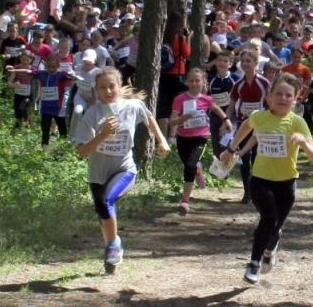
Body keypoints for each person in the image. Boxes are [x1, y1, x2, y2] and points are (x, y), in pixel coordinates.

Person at [220, 73, 313, 284]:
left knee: (274, 227)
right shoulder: (260, 116)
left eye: (288, 95)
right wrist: (231, 148)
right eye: (278, 94)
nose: (283, 99)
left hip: (286, 184)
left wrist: (303, 142)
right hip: (260, 180)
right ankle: (254, 264)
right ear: (269, 97)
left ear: (295, 100)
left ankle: (270, 249)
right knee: (268, 219)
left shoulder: (297, 122)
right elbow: (246, 126)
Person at [74, 67, 171, 274]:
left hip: (124, 169)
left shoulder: (133, 106)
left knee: (107, 201)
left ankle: (113, 247)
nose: (108, 91)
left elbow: (149, 119)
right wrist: (103, 135)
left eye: (112, 86)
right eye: (103, 88)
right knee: (103, 212)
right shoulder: (92, 114)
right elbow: (81, 153)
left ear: (119, 86)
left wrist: (161, 140)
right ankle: (112, 246)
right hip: (97, 173)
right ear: (96, 90)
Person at [170, 69, 233, 213]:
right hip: (183, 138)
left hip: (200, 137)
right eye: (191, 80)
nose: (194, 83)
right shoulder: (179, 99)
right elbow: (172, 122)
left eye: (197, 80)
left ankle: (185, 201)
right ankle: (198, 170)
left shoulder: (207, 99)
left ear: (204, 82)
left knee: (189, 167)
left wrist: (226, 120)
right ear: (186, 81)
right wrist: (182, 119)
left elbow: (217, 110)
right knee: (189, 165)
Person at [226, 50, 270, 204]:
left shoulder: (264, 82)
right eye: (243, 61)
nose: (245, 64)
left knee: (259, 157)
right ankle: (247, 192)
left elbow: (270, 102)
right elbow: (232, 105)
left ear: (256, 64)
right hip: (244, 124)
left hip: (262, 125)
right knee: (244, 157)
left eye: (248, 61)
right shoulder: (238, 84)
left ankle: (260, 190)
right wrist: (226, 120)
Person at [33, 55, 72, 152]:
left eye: (54, 67)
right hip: (46, 107)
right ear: (46, 66)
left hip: (57, 107)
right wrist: (15, 69)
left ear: (58, 66)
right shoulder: (42, 74)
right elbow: (30, 71)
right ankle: (44, 147)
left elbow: (71, 76)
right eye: (49, 67)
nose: (51, 69)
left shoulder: (61, 75)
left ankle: (64, 147)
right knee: (45, 127)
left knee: (62, 127)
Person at [207, 51, 241, 158]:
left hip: (231, 115)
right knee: (216, 140)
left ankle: (229, 162)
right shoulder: (210, 78)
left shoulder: (235, 79)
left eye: (225, 61)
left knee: (228, 140)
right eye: (219, 60)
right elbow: (207, 97)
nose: (222, 63)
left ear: (230, 64)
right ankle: (218, 164)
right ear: (216, 62)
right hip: (215, 114)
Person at [6, 50, 36, 130]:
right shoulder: (16, 68)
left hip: (28, 94)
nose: (25, 62)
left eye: (27, 60)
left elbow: (39, 82)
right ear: (20, 58)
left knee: (23, 109)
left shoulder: (33, 70)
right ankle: (18, 127)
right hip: (18, 93)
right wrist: (14, 85)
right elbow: (9, 83)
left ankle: (29, 126)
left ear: (31, 60)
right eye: (23, 60)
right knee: (17, 112)